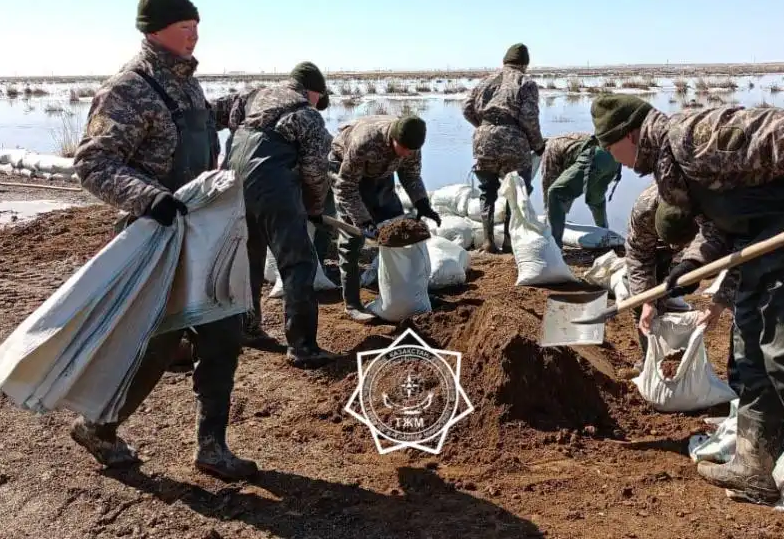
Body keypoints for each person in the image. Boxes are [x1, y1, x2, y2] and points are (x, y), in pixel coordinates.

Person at [591, 94, 784, 539]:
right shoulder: (673, 171)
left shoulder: (690, 135)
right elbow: (719, 226)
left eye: (611, 150)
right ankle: (754, 466)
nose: (617, 163)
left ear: (629, 134)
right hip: (764, 249)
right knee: (752, 355)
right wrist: (688, 265)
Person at [70, 0, 256, 481]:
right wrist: (150, 197)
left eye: (197, 27)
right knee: (154, 346)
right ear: (154, 31)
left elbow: (191, 129)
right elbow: (93, 163)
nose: (195, 36)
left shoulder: (185, 83)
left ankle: (212, 448)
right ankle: (99, 427)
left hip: (201, 233)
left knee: (223, 335)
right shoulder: (127, 88)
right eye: (185, 27)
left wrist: (233, 108)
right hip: (157, 236)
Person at [222, 61, 338, 369]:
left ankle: (246, 326)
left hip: (232, 179)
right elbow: (316, 172)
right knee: (297, 262)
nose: (319, 105)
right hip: (272, 185)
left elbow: (232, 125)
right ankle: (302, 347)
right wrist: (314, 209)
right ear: (313, 91)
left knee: (249, 256)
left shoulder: (254, 96)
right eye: (319, 98)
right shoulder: (306, 114)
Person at [327, 114, 441, 322]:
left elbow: (411, 175)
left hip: (381, 171)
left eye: (411, 150)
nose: (407, 153)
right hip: (347, 171)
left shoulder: (411, 146)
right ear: (393, 138)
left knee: (398, 229)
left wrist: (422, 203)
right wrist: (363, 221)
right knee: (351, 241)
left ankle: (407, 292)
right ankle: (352, 303)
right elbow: (346, 187)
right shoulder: (365, 141)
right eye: (403, 148)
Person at [462, 42, 544, 253]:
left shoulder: (486, 80)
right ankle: (509, 241)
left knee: (486, 190)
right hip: (513, 141)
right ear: (525, 64)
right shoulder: (525, 82)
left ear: (504, 61)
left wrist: (484, 127)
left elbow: (466, 108)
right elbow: (529, 118)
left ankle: (488, 241)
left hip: (484, 140)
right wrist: (538, 145)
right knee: (516, 190)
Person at [622, 183, 700, 361]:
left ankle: (666, 348)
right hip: (652, 245)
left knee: (668, 288)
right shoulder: (644, 210)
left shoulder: (712, 205)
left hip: (695, 237)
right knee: (640, 303)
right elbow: (638, 257)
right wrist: (646, 301)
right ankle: (651, 358)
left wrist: (694, 263)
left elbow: (722, 244)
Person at [540, 132, 622, 249]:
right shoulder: (565, 139)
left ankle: (555, 247)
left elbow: (550, 187)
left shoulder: (549, 148)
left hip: (595, 156)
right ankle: (605, 231)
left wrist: (549, 214)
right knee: (596, 200)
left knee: (555, 193)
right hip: (614, 158)